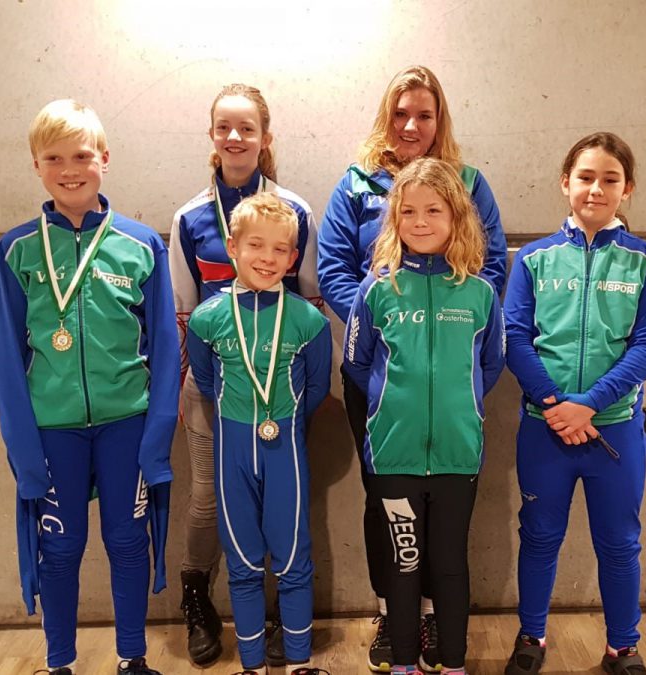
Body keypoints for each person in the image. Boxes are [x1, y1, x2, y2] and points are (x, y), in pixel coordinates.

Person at [316, 64, 507, 672]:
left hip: (451, 394)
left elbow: (493, 269)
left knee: (446, 544)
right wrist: (387, 325)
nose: (410, 124)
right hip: (382, 381)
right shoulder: (355, 184)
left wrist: (450, 347)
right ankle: (392, 618)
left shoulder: (469, 182)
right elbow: (332, 268)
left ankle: (433, 627)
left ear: (439, 119)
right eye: (400, 113)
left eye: (424, 114)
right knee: (385, 505)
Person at [0, 99, 176, 675]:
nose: (69, 169)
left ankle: (132, 659)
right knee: (61, 546)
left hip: (127, 423)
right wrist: (23, 448)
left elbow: (165, 348)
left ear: (104, 158)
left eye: (81, 155)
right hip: (53, 429)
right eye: (53, 158)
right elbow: (6, 358)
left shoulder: (142, 244)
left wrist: (156, 436)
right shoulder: (17, 250)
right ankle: (59, 663)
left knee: (127, 541)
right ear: (36, 165)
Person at [502, 132, 646, 675]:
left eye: (610, 179)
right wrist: (555, 404)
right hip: (544, 428)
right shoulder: (533, 258)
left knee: (619, 544)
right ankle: (532, 637)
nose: (596, 189)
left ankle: (623, 646)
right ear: (565, 183)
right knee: (539, 537)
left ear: (627, 188)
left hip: (613, 431)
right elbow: (513, 336)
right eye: (586, 177)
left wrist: (589, 405)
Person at [169, 83, 320, 668]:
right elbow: (184, 310)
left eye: (247, 127)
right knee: (209, 500)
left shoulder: (294, 211)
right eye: (224, 127)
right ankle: (197, 599)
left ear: (265, 137)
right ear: (211, 136)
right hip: (217, 379)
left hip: (279, 383)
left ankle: (287, 623)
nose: (235, 137)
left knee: (285, 513)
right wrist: (196, 386)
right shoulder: (188, 216)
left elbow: (308, 297)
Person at [186, 193, 331, 675]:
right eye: (255, 245)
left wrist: (284, 420)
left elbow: (316, 388)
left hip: (285, 450)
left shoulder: (308, 320)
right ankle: (251, 663)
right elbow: (205, 380)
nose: (267, 258)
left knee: (293, 559)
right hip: (231, 451)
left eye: (279, 249)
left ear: (293, 258)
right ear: (233, 247)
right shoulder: (207, 319)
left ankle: (298, 662)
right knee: (242, 561)